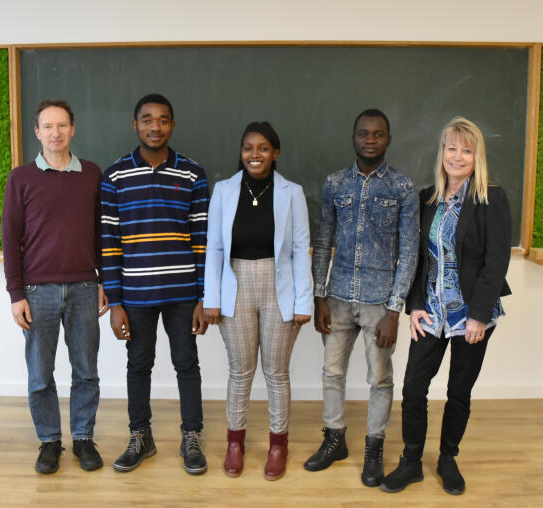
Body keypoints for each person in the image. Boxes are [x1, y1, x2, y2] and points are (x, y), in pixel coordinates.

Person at [381, 117, 512, 496]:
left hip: (472, 314)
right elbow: (419, 258)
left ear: (477, 156)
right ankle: (411, 462)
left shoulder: (491, 198)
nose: (457, 156)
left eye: (466, 150)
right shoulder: (427, 199)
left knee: (459, 391)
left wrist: (478, 315)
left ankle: (447, 459)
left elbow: (495, 261)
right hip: (432, 312)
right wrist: (415, 305)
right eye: (451, 148)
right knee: (413, 388)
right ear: (442, 153)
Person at [307, 109, 419, 487]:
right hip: (337, 296)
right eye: (363, 134)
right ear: (353, 137)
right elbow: (323, 241)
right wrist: (319, 295)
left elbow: (410, 250)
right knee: (332, 372)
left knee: (380, 378)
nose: (370, 140)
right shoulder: (335, 184)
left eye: (378, 134)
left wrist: (394, 309)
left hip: (378, 301)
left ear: (388, 139)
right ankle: (334, 438)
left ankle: (374, 447)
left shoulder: (403, 188)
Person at [101, 94, 210, 474]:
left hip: (183, 293)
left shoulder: (193, 173)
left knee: (187, 364)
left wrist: (202, 297)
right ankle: (140, 436)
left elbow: (201, 239)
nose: (154, 126)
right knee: (138, 365)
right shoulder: (115, 175)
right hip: (136, 295)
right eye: (147, 119)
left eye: (163, 120)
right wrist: (115, 302)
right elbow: (109, 243)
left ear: (172, 126)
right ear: (135, 125)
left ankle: (191, 436)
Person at [1, 99, 108, 475]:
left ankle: (83, 438)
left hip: (83, 287)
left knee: (86, 371)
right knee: (40, 375)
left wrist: (102, 281)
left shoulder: (92, 175)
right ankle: (49, 442)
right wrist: (16, 294)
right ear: (37, 132)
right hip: (37, 292)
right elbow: (10, 239)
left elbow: (101, 234)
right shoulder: (21, 179)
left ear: (73, 129)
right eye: (48, 126)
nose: (55, 133)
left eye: (62, 125)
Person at [203, 121, 313, 480]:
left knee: (277, 373)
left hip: (278, 286)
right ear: (241, 152)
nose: (255, 154)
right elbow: (215, 249)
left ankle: (278, 444)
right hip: (235, 284)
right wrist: (211, 299)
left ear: (275, 153)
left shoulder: (291, 192)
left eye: (263, 148)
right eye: (248, 147)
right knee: (240, 371)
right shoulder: (223, 190)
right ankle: (235, 442)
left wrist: (303, 302)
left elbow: (300, 250)